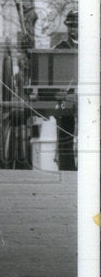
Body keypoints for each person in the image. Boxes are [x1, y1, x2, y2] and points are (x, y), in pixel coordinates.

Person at [52, 9, 78, 171]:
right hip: (66, 95)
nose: (73, 29)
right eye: (71, 26)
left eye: (76, 26)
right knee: (65, 130)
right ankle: (67, 168)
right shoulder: (59, 47)